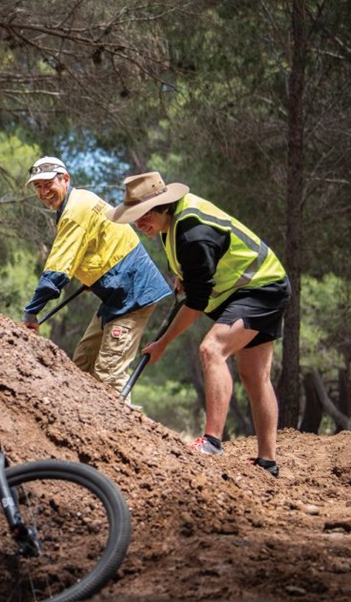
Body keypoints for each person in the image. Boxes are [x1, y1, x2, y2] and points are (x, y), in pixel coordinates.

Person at [110, 171, 290, 477]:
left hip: (261, 288)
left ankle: (212, 442)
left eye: (142, 216)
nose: (139, 225)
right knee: (255, 375)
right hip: (249, 290)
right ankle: (267, 463)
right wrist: (187, 276)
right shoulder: (171, 224)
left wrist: (162, 344)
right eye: (135, 218)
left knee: (211, 349)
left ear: (161, 206)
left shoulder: (192, 230)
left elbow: (196, 304)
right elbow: (201, 266)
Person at [21, 156, 172, 395]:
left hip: (132, 293)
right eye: (38, 186)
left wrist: (32, 312)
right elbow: (98, 245)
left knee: (108, 375)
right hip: (116, 292)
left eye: (48, 183)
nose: (43, 191)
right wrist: (93, 277)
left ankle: (126, 431)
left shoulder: (74, 211)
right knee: (82, 364)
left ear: (65, 179)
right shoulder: (82, 199)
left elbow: (58, 269)